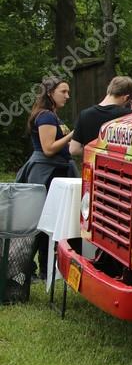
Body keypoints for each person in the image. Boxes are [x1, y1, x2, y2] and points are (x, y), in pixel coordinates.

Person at [14, 76, 78, 280]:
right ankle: (27, 268)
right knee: (41, 222)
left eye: (68, 92)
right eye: (63, 92)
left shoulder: (52, 115)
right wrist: (74, 134)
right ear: (50, 93)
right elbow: (49, 149)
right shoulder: (46, 117)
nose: (68, 96)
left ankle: (42, 268)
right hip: (46, 171)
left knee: (49, 221)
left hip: (56, 170)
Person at [69, 76, 132, 157]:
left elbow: (73, 150)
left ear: (109, 90)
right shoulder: (127, 116)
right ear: (126, 98)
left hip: (91, 166)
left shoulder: (84, 114)